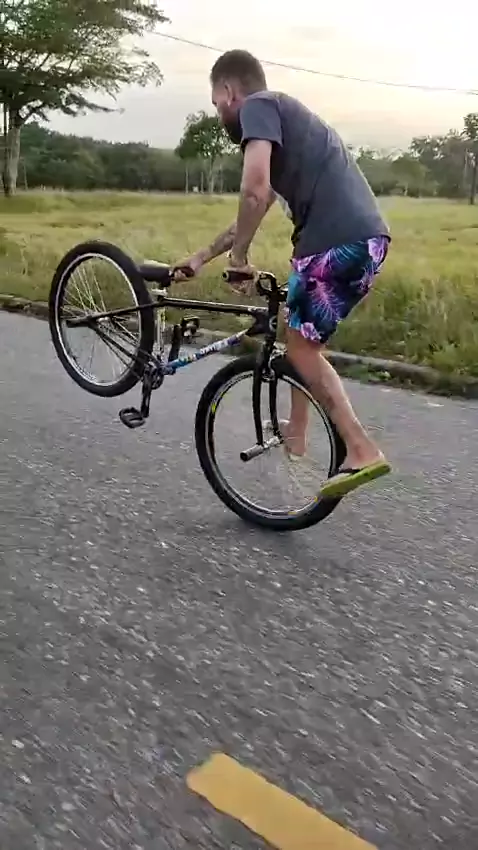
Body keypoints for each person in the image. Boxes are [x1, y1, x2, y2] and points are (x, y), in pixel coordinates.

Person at [173, 49, 392, 500]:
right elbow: (257, 203)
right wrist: (202, 256)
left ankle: (361, 448)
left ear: (228, 92)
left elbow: (253, 191)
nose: (219, 115)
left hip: (334, 241)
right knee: (301, 335)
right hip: (363, 239)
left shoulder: (257, 107)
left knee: (300, 348)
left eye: (216, 104)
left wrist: (239, 259)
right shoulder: (286, 127)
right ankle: (297, 430)